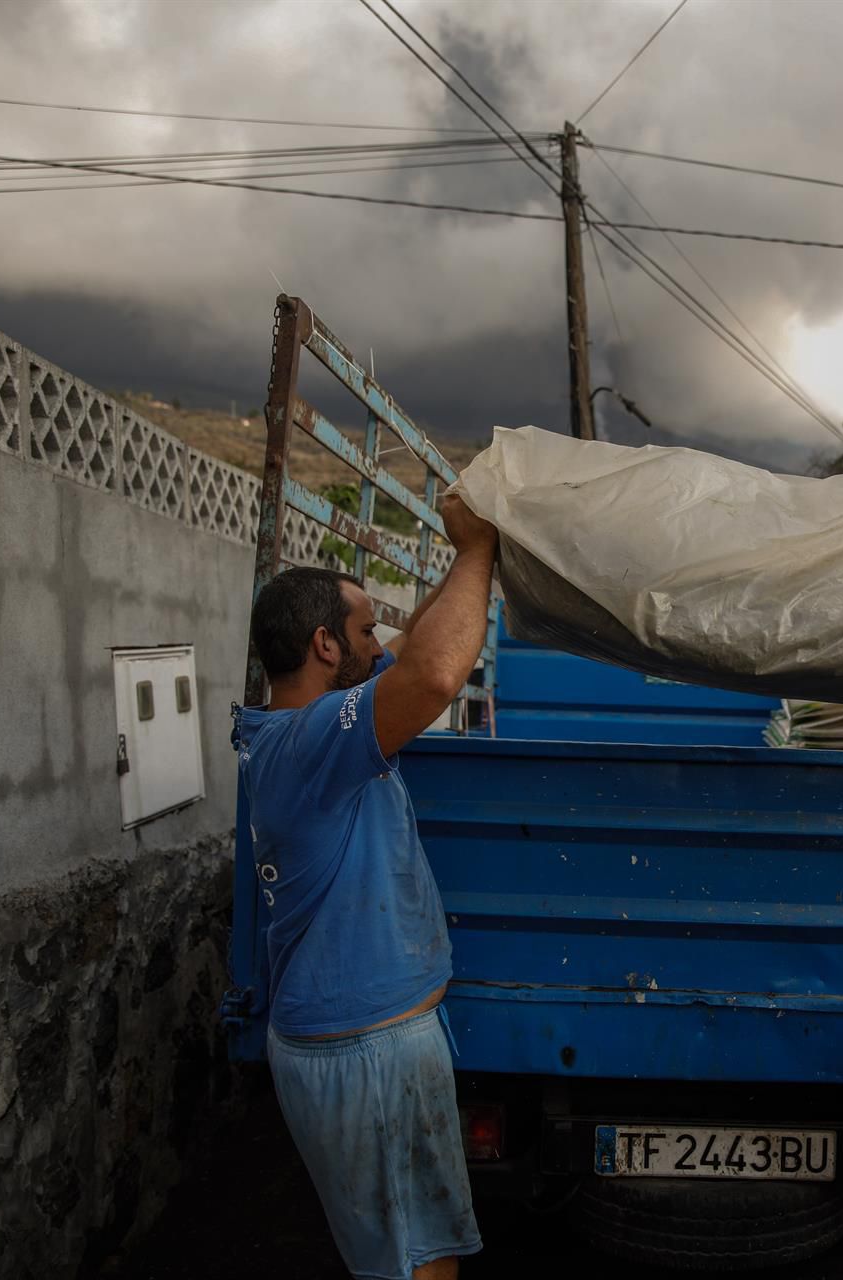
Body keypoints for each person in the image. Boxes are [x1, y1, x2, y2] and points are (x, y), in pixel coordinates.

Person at [232, 494, 498, 1280]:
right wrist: (480, 549)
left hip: (366, 1041)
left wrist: (463, 554)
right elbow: (438, 669)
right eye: (362, 632)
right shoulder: (310, 742)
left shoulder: (305, 730)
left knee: (413, 1254)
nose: (380, 646)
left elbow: (417, 643)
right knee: (416, 1269)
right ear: (323, 645)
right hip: (365, 1055)